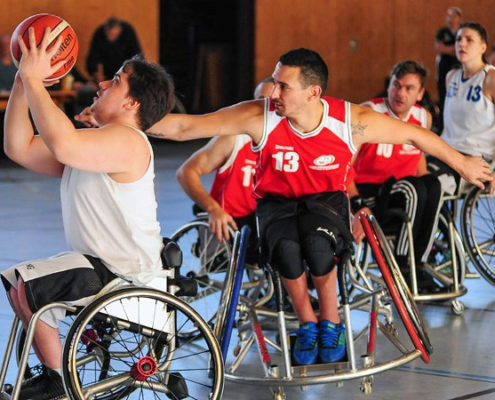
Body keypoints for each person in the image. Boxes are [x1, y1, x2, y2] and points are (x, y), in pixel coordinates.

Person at [147, 48, 492, 366]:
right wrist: (129, 120)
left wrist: (462, 163)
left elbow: (415, 136)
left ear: (313, 93)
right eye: (275, 83)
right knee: (286, 249)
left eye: (284, 86)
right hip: (276, 202)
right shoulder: (260, 116)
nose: (274, 93)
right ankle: (308, 323)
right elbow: (186, 126)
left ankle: (331, 321)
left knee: (317, 244)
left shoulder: (348, 120)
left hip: (325, 200)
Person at [1, 28, 174, 399]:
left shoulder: (128, 140)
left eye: (116, 81)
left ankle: (58, 381)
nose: (102, 83)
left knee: (28, 284)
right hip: (99, 267)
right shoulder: (96, 144)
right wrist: (22, 81)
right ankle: (54, 374)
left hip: (124, 276)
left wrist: (34, 80)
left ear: (132, 104)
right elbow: (18, 147)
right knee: (19, 285)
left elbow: (62, 143)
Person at [349, 60, 443, 293]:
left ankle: (418, 264)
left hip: (405, 192)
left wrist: (434, 198)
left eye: (409, 88)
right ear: (389, 85)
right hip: (370, 192)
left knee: (432, 184)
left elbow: (419, 161)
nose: (400, 93)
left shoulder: (423, 117)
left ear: (420, 93)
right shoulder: (368, 113)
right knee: (415, 189)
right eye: (396, 85)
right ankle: (402, 267)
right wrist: (356, 203)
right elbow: (344, 165)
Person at [175, 77, 274, 245]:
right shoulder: (234, 139)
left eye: (270, 100)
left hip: (269, 218)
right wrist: (213, 208)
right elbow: (186, 172)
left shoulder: (293, 142)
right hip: (233, 222)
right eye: (260, 101)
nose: (265, 106)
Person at [430, 22, 495, 195]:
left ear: (483, 47)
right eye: (458, 39)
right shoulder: (451, 76)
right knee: (407, 172)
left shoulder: (490, 77)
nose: (461, 44)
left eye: (469, 40)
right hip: (446, 152)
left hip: (474, 157)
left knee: (429, 184)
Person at [86, 17, 142, 83]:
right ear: (105, 31)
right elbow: (93, 57)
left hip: (125, 74)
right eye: (109, 35)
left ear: (120, 30)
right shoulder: (99, 33)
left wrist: (132, 72)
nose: (110, 38)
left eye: (113, 35)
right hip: (106, 75)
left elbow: (137, 55)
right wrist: (96, 73)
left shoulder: (128, 32)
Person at [435, 6, 462, 124]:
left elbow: (462, 48)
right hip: (444, 68)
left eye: (454, 16)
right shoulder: (442, 32)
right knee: (443, 96)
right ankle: (442, 124)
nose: (451, 19)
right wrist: (454, 49)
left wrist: (450, 49)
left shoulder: (462, 31)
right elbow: (440, 47)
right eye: (449, 16)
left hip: (459, 68)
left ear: (459, 18)